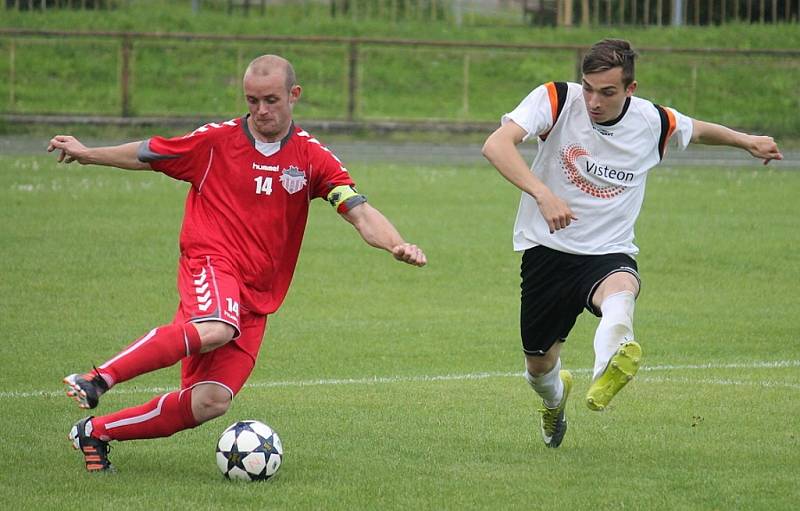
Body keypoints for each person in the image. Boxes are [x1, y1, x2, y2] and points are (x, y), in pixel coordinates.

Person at [48, 54, 427, 472]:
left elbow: (356, 209)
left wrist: (396, 244)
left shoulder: (312, 158)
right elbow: (148, 153)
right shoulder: (215, 142)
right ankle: (99, 378)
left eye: (271, 100)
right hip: (210, 263)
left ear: (293, 96)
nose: (261, 110)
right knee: (215, 326)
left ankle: (96, 432)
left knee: (210, 402)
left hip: (257, 296)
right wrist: (88, 154)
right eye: (252, 100)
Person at [481, 39, 782, 448]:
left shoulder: (651, 120)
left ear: (630, 89)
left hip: (608, 251)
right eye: (589, 87)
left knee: (621, 292)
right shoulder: (555, 99)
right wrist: (542, 193)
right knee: (539, 367)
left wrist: (747, 141)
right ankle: (555, 400)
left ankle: (611, 361)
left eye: (607, 92)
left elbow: (695, 128)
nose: (594, 101)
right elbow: (496, 144)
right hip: (547, 251)